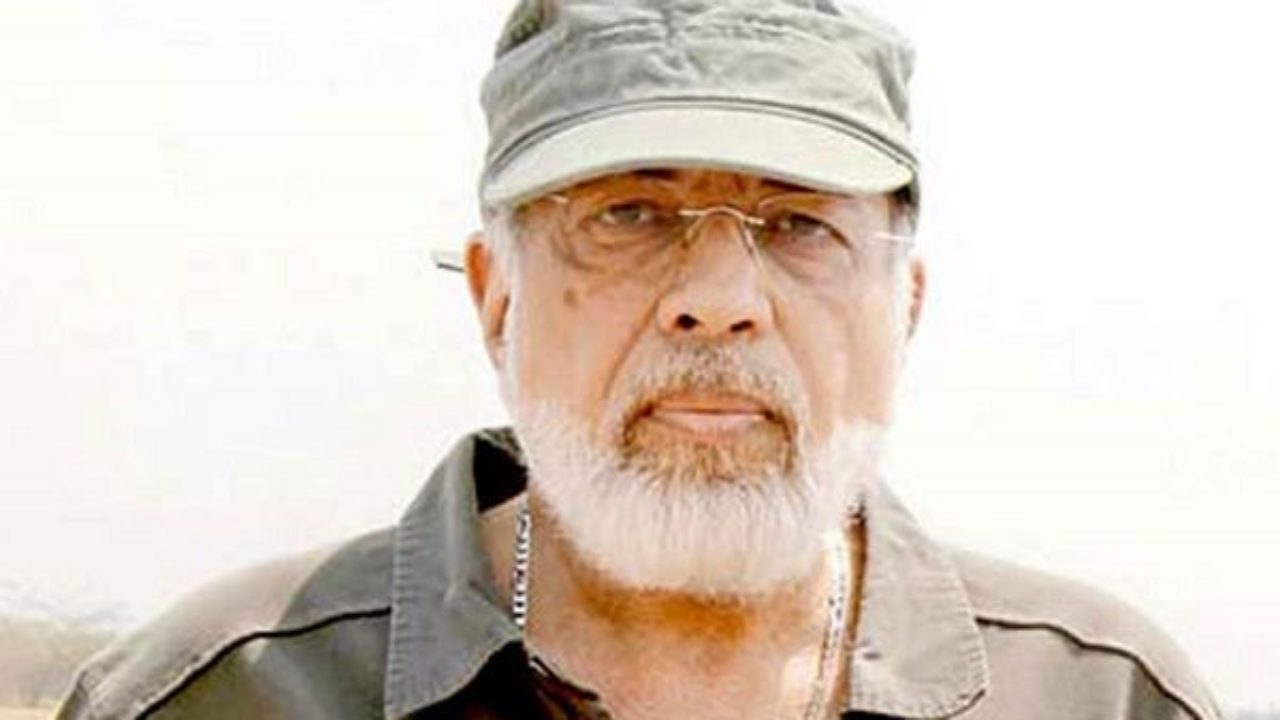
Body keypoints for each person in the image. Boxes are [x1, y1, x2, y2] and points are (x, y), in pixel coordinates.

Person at [58, 1, 1223, 718]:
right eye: (628, 217)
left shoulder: (1103, 698)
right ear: (494, 297)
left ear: (901, 307)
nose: (718, 304)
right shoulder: (225, 696)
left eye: (798, 225)